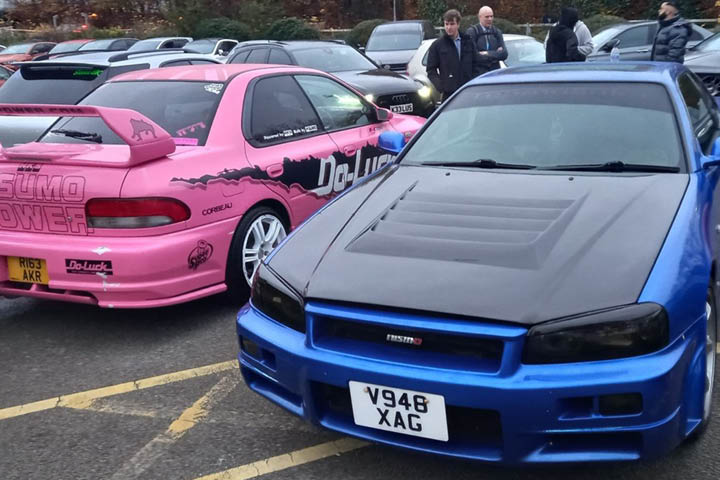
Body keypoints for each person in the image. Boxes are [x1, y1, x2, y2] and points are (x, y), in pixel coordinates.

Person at [426, 9, 483, 102]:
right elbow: (431, 70)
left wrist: (473, 82)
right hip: (449, 94)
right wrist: (442, 87)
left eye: (452, 24)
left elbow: (476, 63)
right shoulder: (437, 45)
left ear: (458, 24)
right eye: (446, 24)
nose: (449, 27)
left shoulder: (468, 41)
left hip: (467, 90)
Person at [466, 6, 507, 74]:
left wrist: (487, 53)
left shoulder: (496, 32)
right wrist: (495, 54)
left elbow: (504, 54)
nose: (490, 19)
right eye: (487, 17)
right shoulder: (472, 32)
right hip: (478, 74)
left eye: (491, 16)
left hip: (495, 73)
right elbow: (474, 56)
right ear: (480, 17)